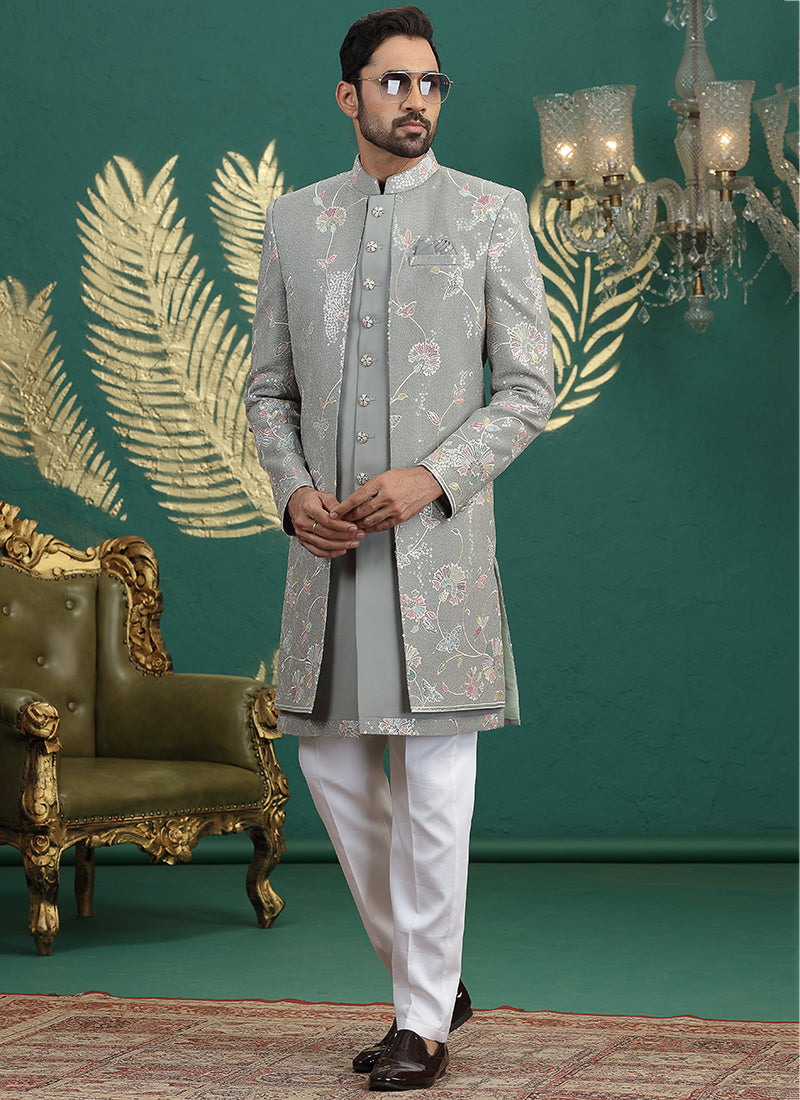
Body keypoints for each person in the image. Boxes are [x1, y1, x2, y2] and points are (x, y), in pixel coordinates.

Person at [245, 6, 555, 1090]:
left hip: (436, 555)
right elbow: (267, 390)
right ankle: (434, 972)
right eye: (393, 82)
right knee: (332, 764)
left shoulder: (488, 213)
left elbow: (528, 387)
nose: (415, 100)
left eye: (430, 84)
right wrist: (293, 496)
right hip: (326, 554)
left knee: (435, 781)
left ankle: (420, 1021)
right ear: (350, 96)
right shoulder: (293, 222)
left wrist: (432, 476)